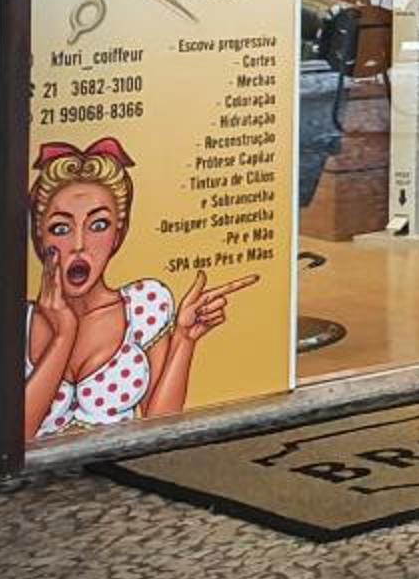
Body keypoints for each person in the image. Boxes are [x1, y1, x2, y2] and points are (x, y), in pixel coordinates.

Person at [22, 139, 257, 442]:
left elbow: (161, 427)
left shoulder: (144, 305)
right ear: (40, 237)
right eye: (61, 228)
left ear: (117, 234)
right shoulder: (18, 319)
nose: (79, 245)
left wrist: (184, 339)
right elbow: (16, 437)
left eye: (98, 225)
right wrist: (63, 336)